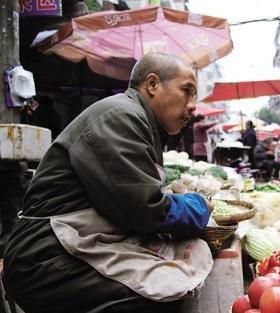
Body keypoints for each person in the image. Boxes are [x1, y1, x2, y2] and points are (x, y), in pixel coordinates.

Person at [3, 53, 214, 313]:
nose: (193, 105)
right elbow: (144, 208)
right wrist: (197, 207)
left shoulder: (136, 118)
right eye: (187, 91)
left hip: (67, 247)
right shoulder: (121, 116)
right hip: (44, 259)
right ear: (152, 84)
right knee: (163, 291)